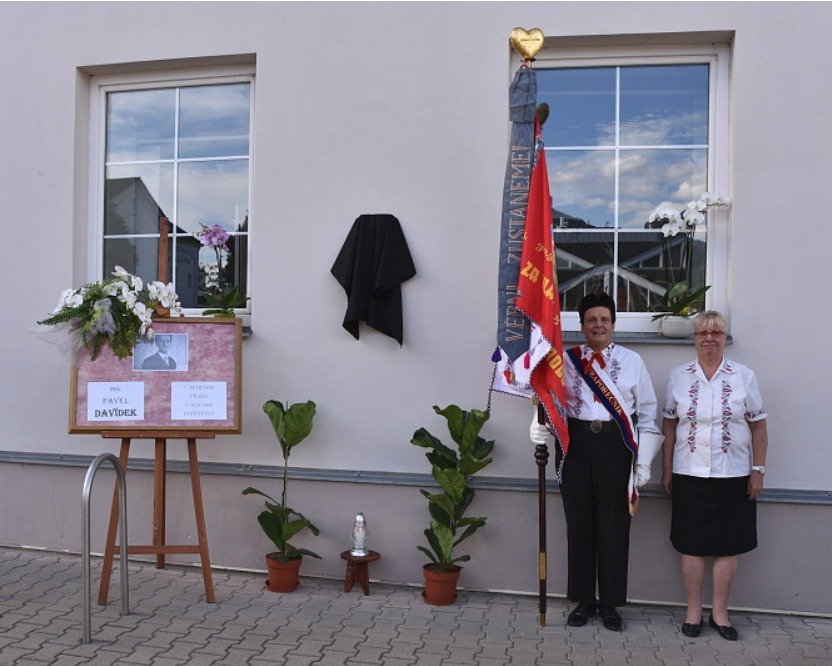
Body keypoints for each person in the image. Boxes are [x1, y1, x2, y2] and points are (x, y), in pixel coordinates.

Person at [530, 292, 662, 632]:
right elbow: (549, 399)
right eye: (591, 320)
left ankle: (610, 604)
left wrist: (644, 461)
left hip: (615, 446)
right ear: (582, 325)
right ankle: (584, 600)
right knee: (580, 523)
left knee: (614, 525)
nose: (598, 325)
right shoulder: (566, 360)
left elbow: (647, 412)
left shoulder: (633, 361)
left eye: (604, 319)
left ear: (614, 324)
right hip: (575, 444)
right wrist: (539, 424)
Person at [661, 310, 767, 641]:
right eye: (702, 332)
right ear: (693, 338)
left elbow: (758, 426)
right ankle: (693, 612)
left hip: (733, 473)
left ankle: (720, 614)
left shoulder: (744, 376)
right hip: (688, 472)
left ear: (724, 338)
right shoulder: (678, 376)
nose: (709, 337)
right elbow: (669, 424)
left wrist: (757, 471)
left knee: (727, 546)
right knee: (690, 545)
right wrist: (667, 469)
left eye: (716, 332)